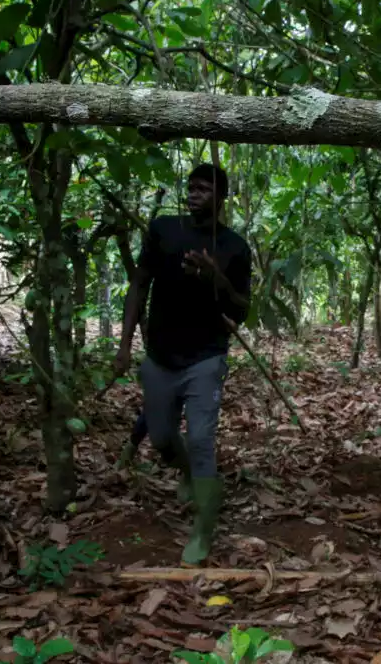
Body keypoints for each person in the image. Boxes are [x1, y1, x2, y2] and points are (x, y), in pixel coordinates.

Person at [114, 163, 252, 566]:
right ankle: (190, 475)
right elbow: (139, 284)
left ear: (221, 197)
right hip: (160, 357)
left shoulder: (234, 247)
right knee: (160, 439)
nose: (194, 194)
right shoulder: (163, 231)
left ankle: (204, 525)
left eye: (204, 189)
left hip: (206, 357)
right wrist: (125, 345)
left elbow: (242, 309)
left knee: (200, 439)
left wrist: (217, 279)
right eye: (191, 188)